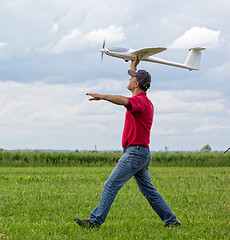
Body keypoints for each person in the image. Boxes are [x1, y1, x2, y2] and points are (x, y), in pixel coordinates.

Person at [74, 57, 180, 228]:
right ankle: (172, 222)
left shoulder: (140, 103)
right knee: (149, 191)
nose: (129, 79)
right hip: (141, 153)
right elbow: (131, 89)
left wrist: (103, 96)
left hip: (135, 153)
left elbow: (124, 101)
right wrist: (133, 67)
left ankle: (94, 221)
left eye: (132, 78)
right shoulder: (144, 100)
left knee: (110, 185)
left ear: (137, 84)